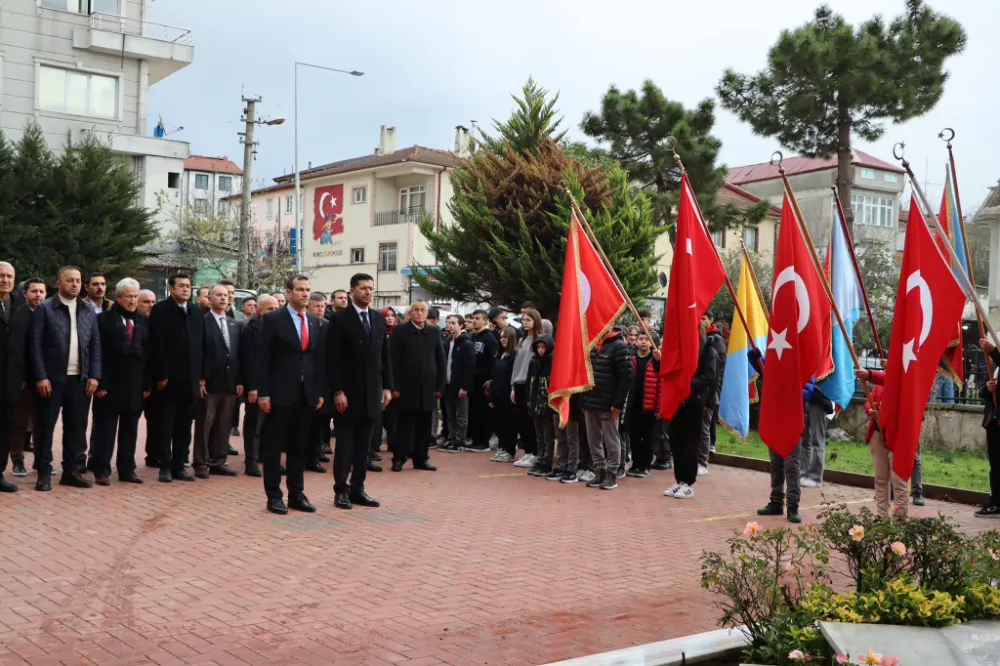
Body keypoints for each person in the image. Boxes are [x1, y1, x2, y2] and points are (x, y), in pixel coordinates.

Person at [256, 275, 326, 515]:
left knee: (299, 447)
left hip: (306, 394)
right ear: (288, 292)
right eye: (300, 290)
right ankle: (274, 496)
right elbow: (263, 358)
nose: (305, 294)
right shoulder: (274, 319)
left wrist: (318, 391)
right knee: (274, 447)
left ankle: (297, 494)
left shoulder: (315, 322)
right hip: (279, 394)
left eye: (308, 290)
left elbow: (316, 358)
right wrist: (263, 393)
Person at [30, 266, 101, 491]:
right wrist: (41, 376)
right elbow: (35, 345)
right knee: (45, 426)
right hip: (51, 379)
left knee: (76, 427)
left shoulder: (87, 309)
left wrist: (94, 375)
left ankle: (70, 471)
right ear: (58, 283)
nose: (75, 284)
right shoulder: (45, 308)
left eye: (78, 280)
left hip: (79, 379)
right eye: (70, 280)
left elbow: (95, 345)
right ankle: (43, 471)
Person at [327, 273, 393, 510]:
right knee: (345, 446)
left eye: (371, 288)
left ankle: (358, 489)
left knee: (364, 447)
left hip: (372, 393)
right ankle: (341, 490)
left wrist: (387, 386)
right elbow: (332, 359)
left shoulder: (377, 318)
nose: (368, 292)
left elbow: (385, 356)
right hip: (348, 394)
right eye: (363, 288)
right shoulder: (340, 320)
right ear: (352, 291)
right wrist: (337, 391)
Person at [89, 278, 148, 485]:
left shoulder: (142, 320)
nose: (132, 301)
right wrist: (99, 382)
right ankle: (101, 470)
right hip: (109, 385)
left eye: (135, 296)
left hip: (134, 386)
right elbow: (97, 353)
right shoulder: (103, 320)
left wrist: (146, 385)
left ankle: (127, 469)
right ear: (118, 297)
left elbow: (148, 355)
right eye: (128, 297)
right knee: (105, 431)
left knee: (130, 430)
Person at [148, 272, 204, 483]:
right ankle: (165, 466)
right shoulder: (161, 310)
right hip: (169, 379)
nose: (185, 289)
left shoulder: (196, 312)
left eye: (188, 285)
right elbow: (156, 345)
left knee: (184, 425)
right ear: (170, 288)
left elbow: (202, 345)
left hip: (190, 380)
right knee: (166, 425)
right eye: (181, 285)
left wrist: (201, 376)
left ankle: (180, 465)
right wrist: (161, 375)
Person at [663, 316, 717, 501]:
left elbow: (708, 377)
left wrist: (686, 385)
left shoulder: (708, 350)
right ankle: (679, 480)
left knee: (690, 443)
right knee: (676, 441)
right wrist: (657, 361)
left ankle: (689, 483)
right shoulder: (680, 350)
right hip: (678, 401)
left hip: (695, 402)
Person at [192, 285, 243, 478]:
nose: (223, 298)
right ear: (210, 298)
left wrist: (239, 380)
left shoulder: (233, 324)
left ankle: (219, 461)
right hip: (209, 381)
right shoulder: (202, 322)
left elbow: (237, 355)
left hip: (229, 382)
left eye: (227, 295)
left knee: (224, 423)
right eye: (219, 295)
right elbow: (199, 352)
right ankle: (201, 462)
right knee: (205, 422)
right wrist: (200, 378)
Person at [389, 301, 445, 472]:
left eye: (423, 310)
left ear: (427, 313)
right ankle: (399, 457)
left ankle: (421, 458)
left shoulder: (434, 331)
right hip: (405, 387)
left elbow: (440, 360)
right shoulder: (399, 331)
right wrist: (394, 386)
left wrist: (440, 385)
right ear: (410, 313)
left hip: (428, 387)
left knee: (425, 426)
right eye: (416, 310)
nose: (420, 313)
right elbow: (392, 360)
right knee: (404, 425)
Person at [582, 327, 633, 491]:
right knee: (593, 439)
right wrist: (584, 399)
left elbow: (626, 378)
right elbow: (585, 373)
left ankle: (612, 472)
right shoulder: (592, 344)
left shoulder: (619, 346)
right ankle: (600, 470)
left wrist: (618, 403)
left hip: (608, 404)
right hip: (591, 402)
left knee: (611, 440)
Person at [854, 366, 908, 518]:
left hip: (897, 435)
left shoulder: (903, 377)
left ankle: (900, 519)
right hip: (878, 432)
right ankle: (882, 516)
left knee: (899, 481)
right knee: (880, 478)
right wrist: (871, 409)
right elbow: (870, 399)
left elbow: (891, 380)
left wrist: (869, 374)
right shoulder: (879, 384)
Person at [9, 278, 46, 478]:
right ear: (25, 293)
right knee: (19, 422)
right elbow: (16, 350)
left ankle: (41, 461)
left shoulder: (48, 313)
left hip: (45, 378)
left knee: (42, 421)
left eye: (41, 291)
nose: (38, 295)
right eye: (34, 291)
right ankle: (17, 460)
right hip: (24, 379)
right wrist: (20, 375)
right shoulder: (19, 315)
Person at [0, 262, 31, 492]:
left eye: (9, 276)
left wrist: (24, 374)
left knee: (5, 428)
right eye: (1, 275)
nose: (5, 280)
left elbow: (28, 345)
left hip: (11, 381)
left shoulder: (20, 306)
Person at [241, 294, 277, 477]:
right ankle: (251, 461)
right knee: (254, 425)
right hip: (257, 385)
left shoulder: (279, 327)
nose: (274, 312)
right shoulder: (251, 329)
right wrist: (253, 387)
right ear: (260, 310)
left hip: (275, 384)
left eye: (276, 308)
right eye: (270, 309)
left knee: (271, 426)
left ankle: (268, 458)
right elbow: (250, 361)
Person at [625, 331, 661, 479]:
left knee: (647, 437)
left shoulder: (656, 360)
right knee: (634, 435)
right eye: (641, 339)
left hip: (649, 406)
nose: (644, 342)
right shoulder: (631, 359)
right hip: (633, 404)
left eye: (647, 339)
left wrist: (659, 408)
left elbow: (661, 385)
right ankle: (635, 463)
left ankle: (645, 465)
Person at [510, 309, 542, 467]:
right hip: (519, 383)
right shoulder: (522, 340)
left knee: (531, 421)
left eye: (528, 319)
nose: (525, 322)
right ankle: (528, 451)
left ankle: (535, 453)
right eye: (523, 319)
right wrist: (513, 386)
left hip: (532, 385)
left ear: (536, 321)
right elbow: (516, 365)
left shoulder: (539, 341)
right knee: (521, 420)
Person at [305, 292, 331, 473]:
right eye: (316, 306)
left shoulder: (328, 326)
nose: (320, 310)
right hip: (306, 378)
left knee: (320, 421)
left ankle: (314, 456)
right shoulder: (304, 324)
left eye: (323, 306)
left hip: (324, 380)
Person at [697, 312, 726, 476]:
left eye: (703, 318)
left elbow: (716, 372)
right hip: (696, 393)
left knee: (704, 428)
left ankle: (702, 461)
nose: (700, 322)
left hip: (709, 391)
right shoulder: (700, 342)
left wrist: (714, 391)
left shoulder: (716, 342)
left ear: (710, 320)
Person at [976, 337, 1000, 518]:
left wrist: (992, 350)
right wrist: (989, 388)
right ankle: (996, 502)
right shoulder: (993, 366)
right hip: (993, 422)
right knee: (996, 464)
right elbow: (982, 393)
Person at [526, 335, 557, 477]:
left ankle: (547, 461)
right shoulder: (534, 361)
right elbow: (529, 383)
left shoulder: (552, 361)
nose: (540, 350)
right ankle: (540, 459)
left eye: (543, 347)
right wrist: (529, 401)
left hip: (547, 404)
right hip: (535, 402)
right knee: (539, 435)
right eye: (538, 347)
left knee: (547, 435)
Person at [443, 314, 474, 454]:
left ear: (461, 325)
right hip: (447, 383)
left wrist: (465, 387)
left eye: (453, 323)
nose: (450, 325)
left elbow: (469, 367)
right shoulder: (446, 342)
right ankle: (451, 438)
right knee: (450, 414)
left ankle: (460, 439)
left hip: (459, 384)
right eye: (448, 322)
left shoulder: (466, 343)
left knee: (461, 415)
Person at [466, 310, 497, 452]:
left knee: (483, 411)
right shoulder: (472, 337)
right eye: (473, 318)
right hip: (473, 379)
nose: (474, 321)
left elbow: (493, 359)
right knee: (473, 410)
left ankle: (483, 441)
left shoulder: (489, 338)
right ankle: (475, 439)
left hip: (484, 380)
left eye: (477, 318)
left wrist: (491, 378)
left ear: (485, 321)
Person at [489, 327, 518, 462]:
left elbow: (511, 376)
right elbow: (495, 377)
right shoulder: (498, 356)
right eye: (501, 337)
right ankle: (502, 447)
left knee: (509, 424)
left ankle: (509, 450)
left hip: (507, 395)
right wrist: (492, 395)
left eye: (505, 337)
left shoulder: (514, 355)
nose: (502, 340)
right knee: (498, 423)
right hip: (497, 394)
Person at [798, 385, 835, 488]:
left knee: (817, 440)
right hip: (806, 399)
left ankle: (815, 477)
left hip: (820, 401)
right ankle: (803, 473)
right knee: (804, 440)